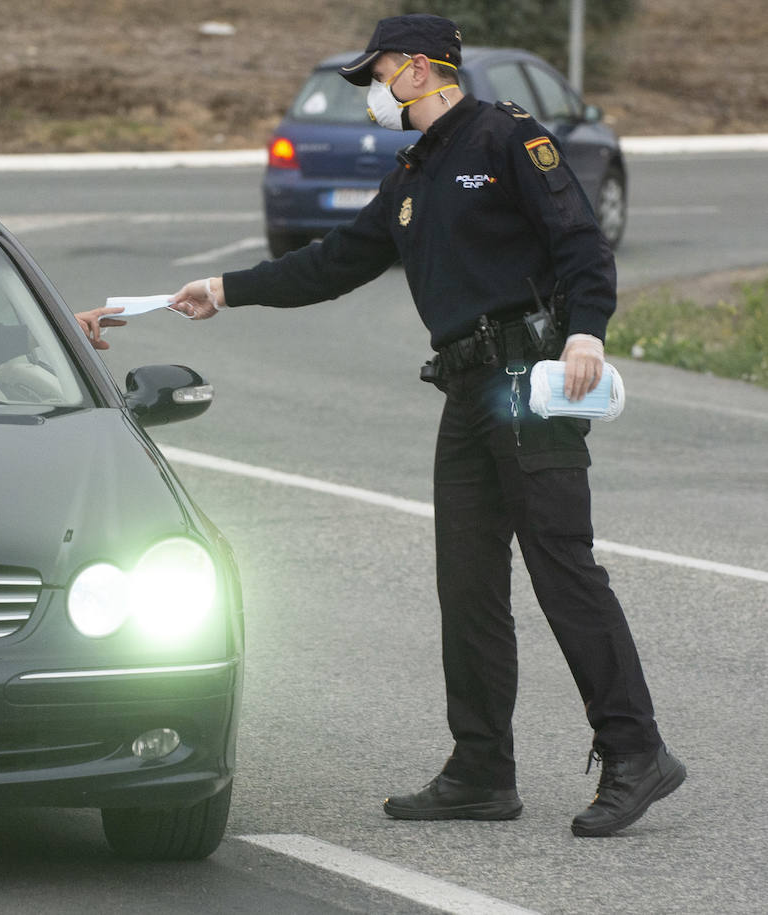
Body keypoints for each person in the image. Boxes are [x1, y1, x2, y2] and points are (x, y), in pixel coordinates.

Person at [170, 13, 683, 838]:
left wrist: (587, 329)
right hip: (466, 388)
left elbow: (580, 240)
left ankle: (636, 752)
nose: (373, 92)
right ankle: (481, 769)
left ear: (417, 69)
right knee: (467, 583)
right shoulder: (412, 176)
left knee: (562, 569)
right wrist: (224, 289)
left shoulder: (505, 138)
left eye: (377, 75)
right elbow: (331, 265)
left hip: (529, 378)